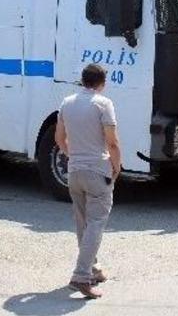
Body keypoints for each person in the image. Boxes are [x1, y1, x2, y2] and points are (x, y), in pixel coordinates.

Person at [55, 63, 122, 299]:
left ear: (83, 81)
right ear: (102, 82)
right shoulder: (103, 104)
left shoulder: (67, 103)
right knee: (96, 223)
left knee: (83, 222)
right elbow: (112, 142)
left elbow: (59, 138)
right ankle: (81, 276)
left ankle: (92, 268)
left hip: (74, 172)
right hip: (97, 171)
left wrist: (72, 155)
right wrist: (116, 166)